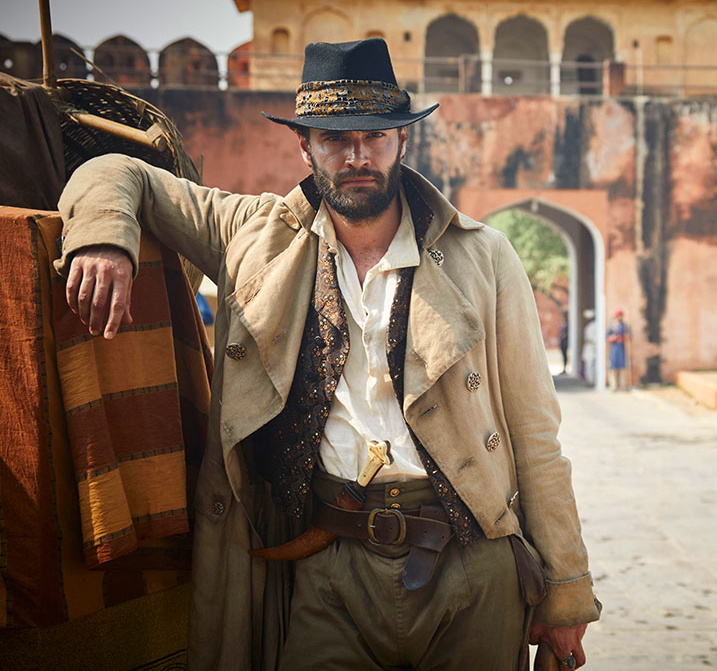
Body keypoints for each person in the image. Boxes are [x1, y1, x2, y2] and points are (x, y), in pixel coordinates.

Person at [56, 39, 598, 670]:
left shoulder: (484, 257)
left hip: (471, 561)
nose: (357, 155)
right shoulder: (252, 237)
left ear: (403, 141)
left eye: (374, 135)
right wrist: (105, 240)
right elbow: (114, 173)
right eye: (336, 137)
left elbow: (535, 431)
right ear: (305, 146)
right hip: (326, 563)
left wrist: (565, 592)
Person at [606, 309, 630, 391]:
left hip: (622, 348)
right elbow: (607, 337)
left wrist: (625, 337)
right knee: (612, 368)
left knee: (623, 368)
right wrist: (613, 338)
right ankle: (613, 386)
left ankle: (623, 386)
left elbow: (628, 336)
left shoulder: (624, 326)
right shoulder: (612, 326)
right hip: (614, 349)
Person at [581, 308, 597, 387]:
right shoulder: (588, 326)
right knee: (589, 364)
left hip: (592, 347)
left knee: (592, 365)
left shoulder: (594, 326)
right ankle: (590, 380)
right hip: (589, 347)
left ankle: (592, 381)